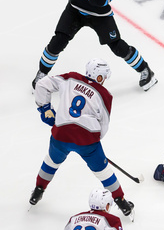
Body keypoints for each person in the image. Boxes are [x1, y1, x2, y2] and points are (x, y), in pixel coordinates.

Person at [32, 0, 157, 91]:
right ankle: (42, 73)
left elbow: (100, 2)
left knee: (118, 47)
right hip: (75, 11)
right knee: (58, 41)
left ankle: (145, 70)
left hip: (99, 16)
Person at [29, 58, 134, 218]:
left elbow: (42, 84)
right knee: (103, 172)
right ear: (100, 77)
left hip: (61, 135)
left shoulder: (71, 78)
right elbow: (103, 125)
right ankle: (121, 202)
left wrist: (45, 109)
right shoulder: (105, 95)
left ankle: (38, 191)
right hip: (88, 141)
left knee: (51, 161)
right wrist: (94, 143)